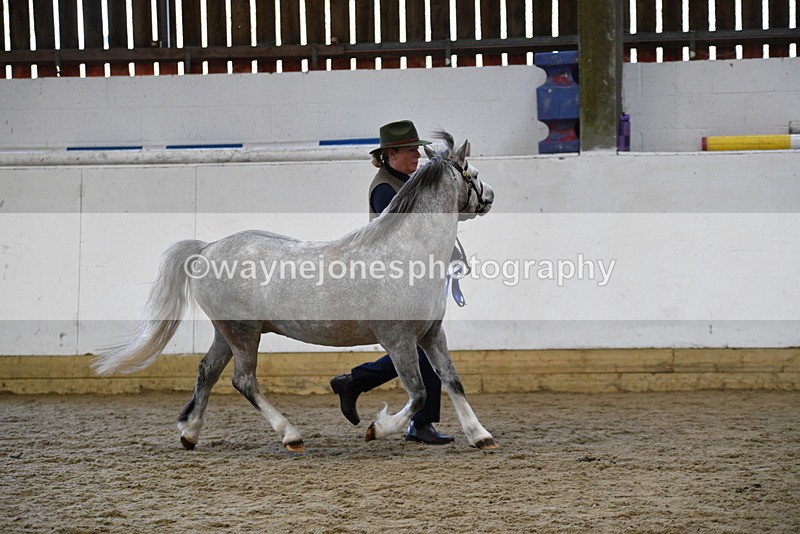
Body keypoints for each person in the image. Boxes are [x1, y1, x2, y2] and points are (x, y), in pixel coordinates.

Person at [330, 120, 455, 445]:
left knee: (421, 344)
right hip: (391, 279)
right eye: (411, 149)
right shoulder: (384, 187)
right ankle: (415, 420)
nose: (417, 154)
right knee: (420, 346)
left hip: (411, 276)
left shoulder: (407, 181)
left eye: (417, 149)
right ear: (392, 153)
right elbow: (398, 234)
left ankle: (359, 383)